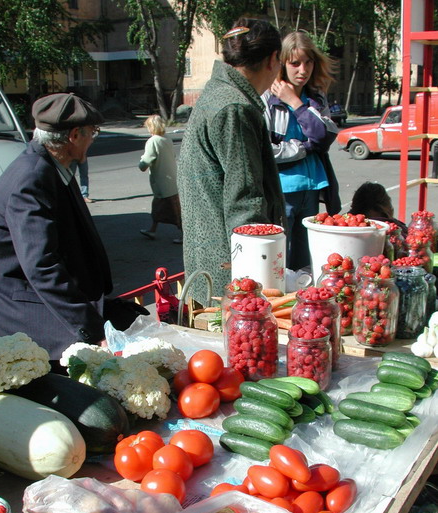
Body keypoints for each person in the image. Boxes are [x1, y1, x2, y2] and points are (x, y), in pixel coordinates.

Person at [0, 92, 113, 369]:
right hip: (22, 311)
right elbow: (42, 266)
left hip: (48, 297)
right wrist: (91, 330)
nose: (93, 138)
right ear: (74, 136)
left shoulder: (50, 166)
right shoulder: (31, 179)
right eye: (92, 132)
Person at [177, 17, 286, 304]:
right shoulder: (234, 106)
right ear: (274, 59)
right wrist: (255, 290)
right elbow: (245, 204)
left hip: (216, 264)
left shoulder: (222, 94)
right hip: (230, 275)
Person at [262, 31, 341, 272]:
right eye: (295, 63)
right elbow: (266, 151)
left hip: (313, 187)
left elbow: (322, 137)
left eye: (308, 62)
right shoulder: (267, 99)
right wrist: (304, 148)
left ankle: (305, 306)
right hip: (282, 190)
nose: (302, 70)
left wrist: (296, 103)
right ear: (282, 64)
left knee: (305, 260)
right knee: (279, 260)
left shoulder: (315, 97)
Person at [139, 115, 182, 244]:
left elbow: (146, 160)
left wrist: (141, 164)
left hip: (163, 182)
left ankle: (185, 235)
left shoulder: (153, 141)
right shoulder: (167, 138)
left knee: (173, 211)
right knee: (160, 207)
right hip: (171, 179)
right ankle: (152, 229)